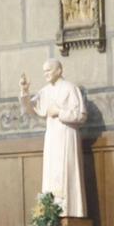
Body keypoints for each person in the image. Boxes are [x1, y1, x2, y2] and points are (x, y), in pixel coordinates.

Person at [18, 58, 88, 217]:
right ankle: (51, 212)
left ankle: (71, 211)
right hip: (52, 137)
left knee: (67, 171)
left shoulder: (70, 88)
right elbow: (29, 109)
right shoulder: (45, 91)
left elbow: (80, 115)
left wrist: (59, 112)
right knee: (52, 172)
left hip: (67, 135)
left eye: (49, 70)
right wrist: (24, 91)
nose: (46, 74)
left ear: (59, 70)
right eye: (44, 71)